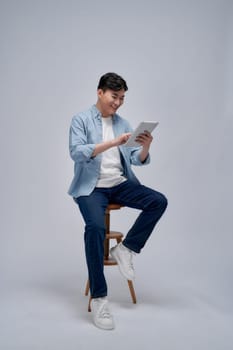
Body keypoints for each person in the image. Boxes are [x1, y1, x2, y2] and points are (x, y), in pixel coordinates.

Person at [68, 72, 167, 330]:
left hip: (119, 184)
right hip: (92, 189)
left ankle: (126, 249)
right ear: (100, 92)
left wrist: (145, 147)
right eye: (115, 97)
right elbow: (77, 153)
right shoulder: (80, 120)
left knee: (158, 201)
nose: (118, 103)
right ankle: (99, 298)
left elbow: (135, 158)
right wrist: (112, 142)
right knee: (96, 229)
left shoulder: (124, 123)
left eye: (122, 98)